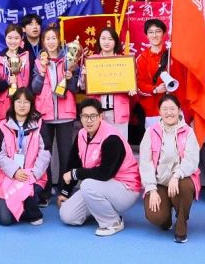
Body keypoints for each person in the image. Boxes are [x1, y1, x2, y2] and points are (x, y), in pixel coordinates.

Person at [57, 98, 142, 237]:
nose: (89, 120)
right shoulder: (81, 134)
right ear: (80, 117)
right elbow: (73, 163)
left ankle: (113, 222)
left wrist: (75, 173)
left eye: (93, 116)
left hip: (126, 189)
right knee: (67, 215)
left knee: (87, 185)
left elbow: (105, 173)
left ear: (101, 116)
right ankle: (99, 209)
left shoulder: (112, 138)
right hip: (99, 186)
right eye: (85, 116)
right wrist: (65, 192)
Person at [139, 94, 200, 242]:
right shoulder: (151, 132)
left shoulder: (188, 131)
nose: (169, 112)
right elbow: (145, 163)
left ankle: (181, 223)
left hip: (180, 180)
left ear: (179, 110)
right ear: (159, 111)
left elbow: (192, 160)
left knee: (185, 186)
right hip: (159, 182)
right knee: (156, 217)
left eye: (172, 109)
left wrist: (177, 175)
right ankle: (166, 218)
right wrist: (152, 189)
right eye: (165, 109)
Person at [32, 25, 82, 183]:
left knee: (65, 153)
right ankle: (44, 188)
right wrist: (41, 74)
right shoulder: (38, 62)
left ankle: (64, 187)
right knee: (44, 153)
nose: (51, 42)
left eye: (54, 38)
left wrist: (70, 78)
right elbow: (34, 89)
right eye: (48, 38)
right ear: (43, 41)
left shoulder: (70, 59)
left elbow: (75, 89)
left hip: (65, 114)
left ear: (59, 40)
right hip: (44, 114)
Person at [0, 88, 49, 226]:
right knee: (5, 220)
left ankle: (31, 209)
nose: (22, 105)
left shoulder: (39, 124)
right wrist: (15, 171)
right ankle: (23, 207)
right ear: (13, 103)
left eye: (26, 102)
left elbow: (45, 153)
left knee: (29, 194)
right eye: (19, 101)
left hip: (33, 175)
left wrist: (33, 174)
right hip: (9, 176)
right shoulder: (2, 126)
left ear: (31, 104)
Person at [134, 19, 169, 127]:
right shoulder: (141, 58)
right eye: (151, 32)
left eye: (158, 31)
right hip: (152, 111)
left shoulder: (172, 55)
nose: (154, 35)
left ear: (163, 33)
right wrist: (155, 89)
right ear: (147, 35)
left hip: (174, 108)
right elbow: (138, 84)